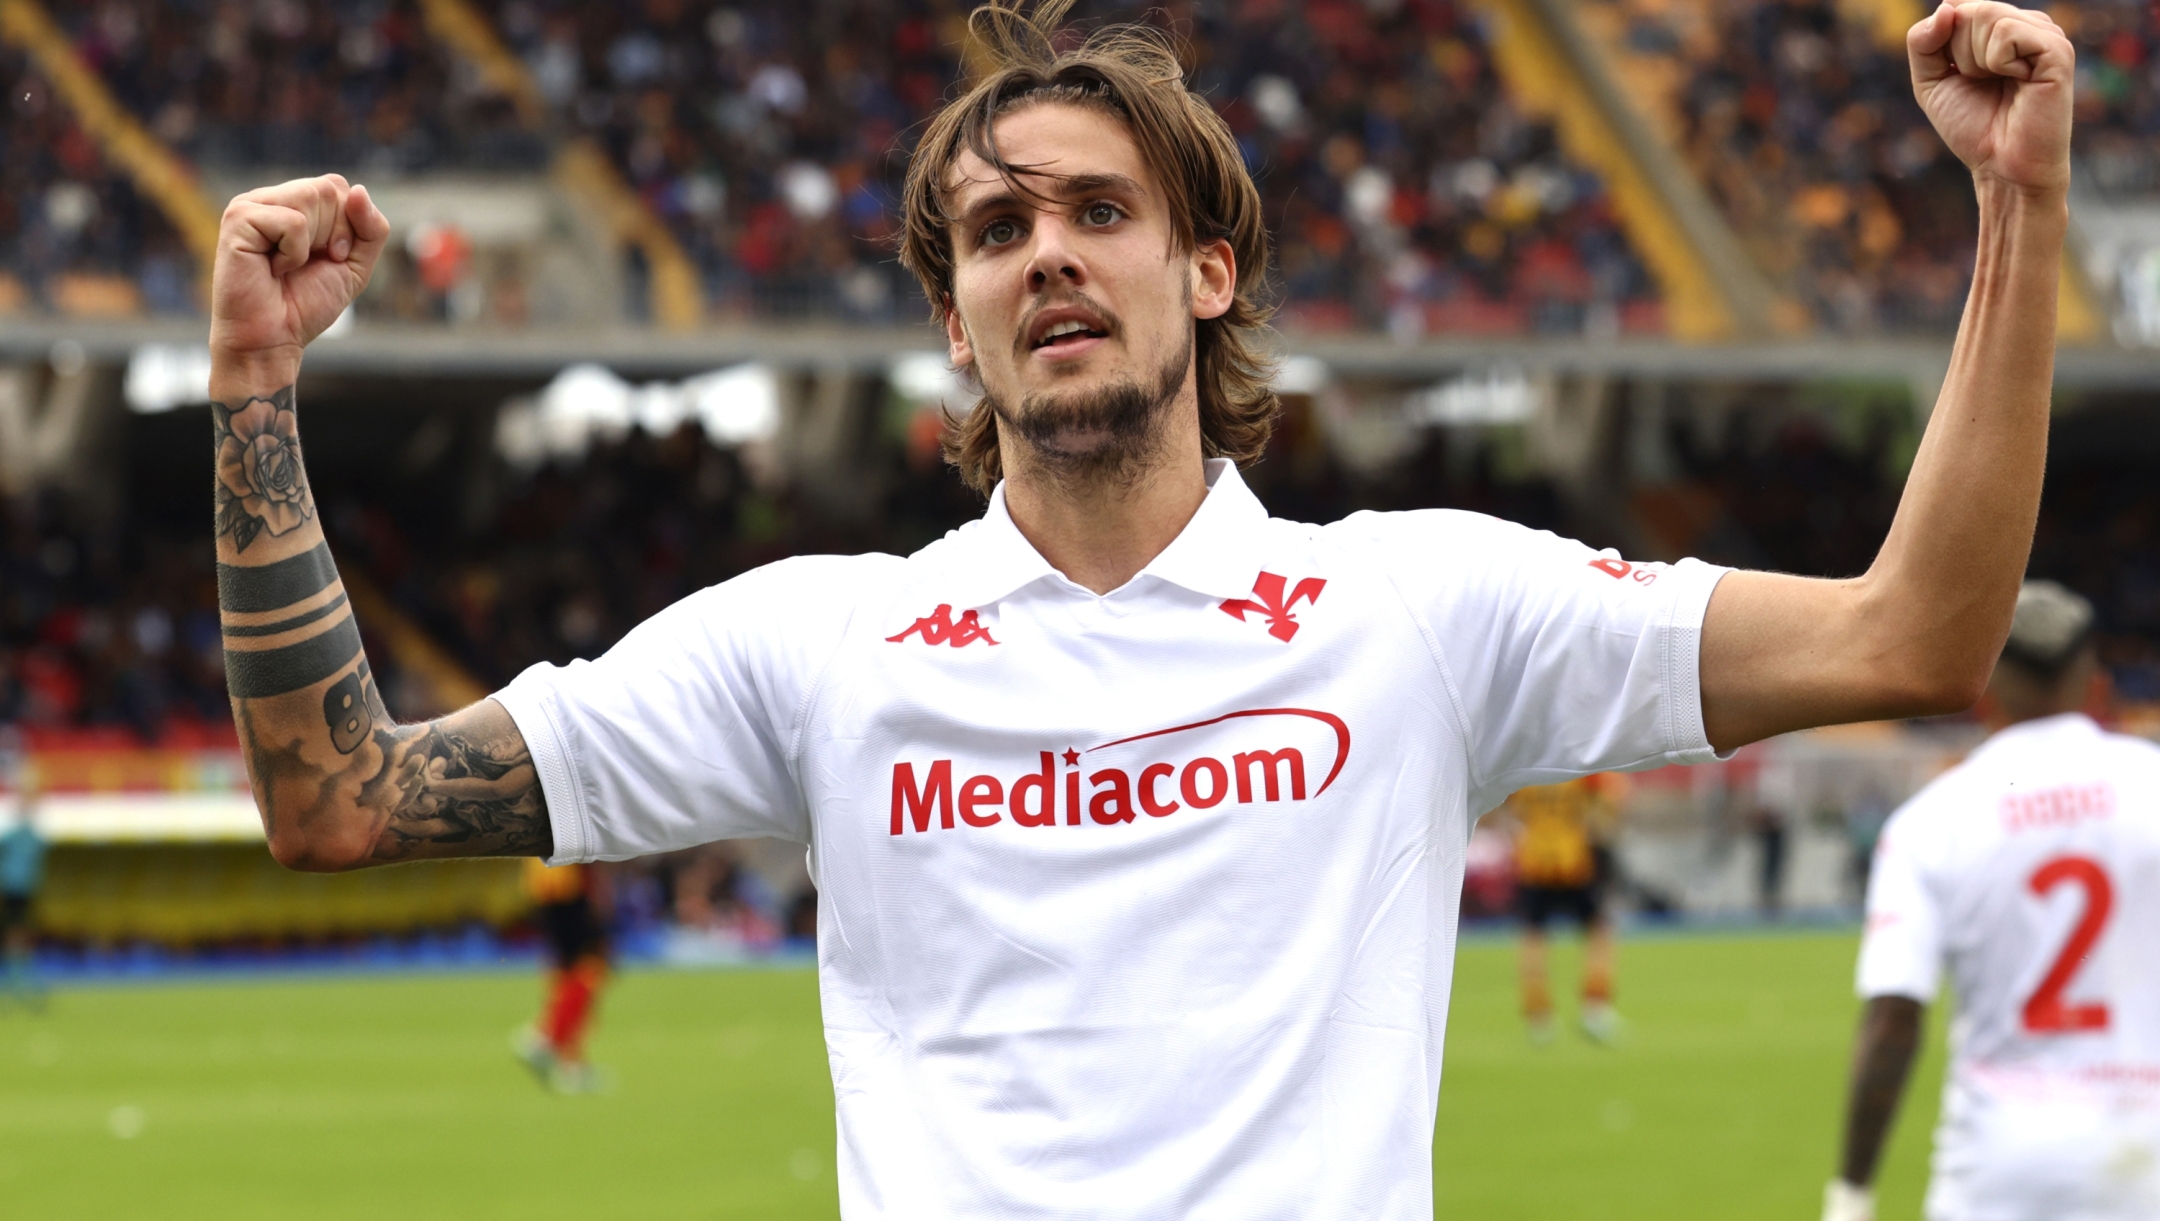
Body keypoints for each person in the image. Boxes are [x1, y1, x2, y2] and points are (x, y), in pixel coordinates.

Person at [203, 1, 2072, 1213]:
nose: (1049, 257)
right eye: (997, 235)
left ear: (1207, 267)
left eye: (1096, 211)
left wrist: (2016, 208)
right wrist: (255, 390)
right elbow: (337, 796)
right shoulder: (821, 642)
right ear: (955, 328)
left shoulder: (1417, 604)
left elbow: (1912, 632)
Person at [1824, 582, 2160, 1221]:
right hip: (2146, 1152)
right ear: (2096, 684)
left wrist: (1853, 1192)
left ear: (1982, 693)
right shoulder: (2152, 782)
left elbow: (1894, 1016)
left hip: (2001, 1165)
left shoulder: (1931, 820)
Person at [1506, 776, 1623, 1043]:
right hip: (1574, 861)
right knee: (1600, 931)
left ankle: (1539, 1016)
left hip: (1535, 860)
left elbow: (1510, 810)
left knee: (1533, 936)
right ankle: (1595, 1009)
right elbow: (1609, 802)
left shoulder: (1527, 770)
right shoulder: (1580, 770)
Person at [513, 859, 612, 1094]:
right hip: (565, 880)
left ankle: (571, 1064)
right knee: (589, 969)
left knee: (568, 976)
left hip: (551, 880)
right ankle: (544, 1040)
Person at [0, 769, 48, 1010]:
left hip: (24, 889)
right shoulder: (18, 834)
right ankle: (16, 982)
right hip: (14, 889)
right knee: (16, 935)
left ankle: (18, 981)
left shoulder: (31, 834)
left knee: (20, 935)